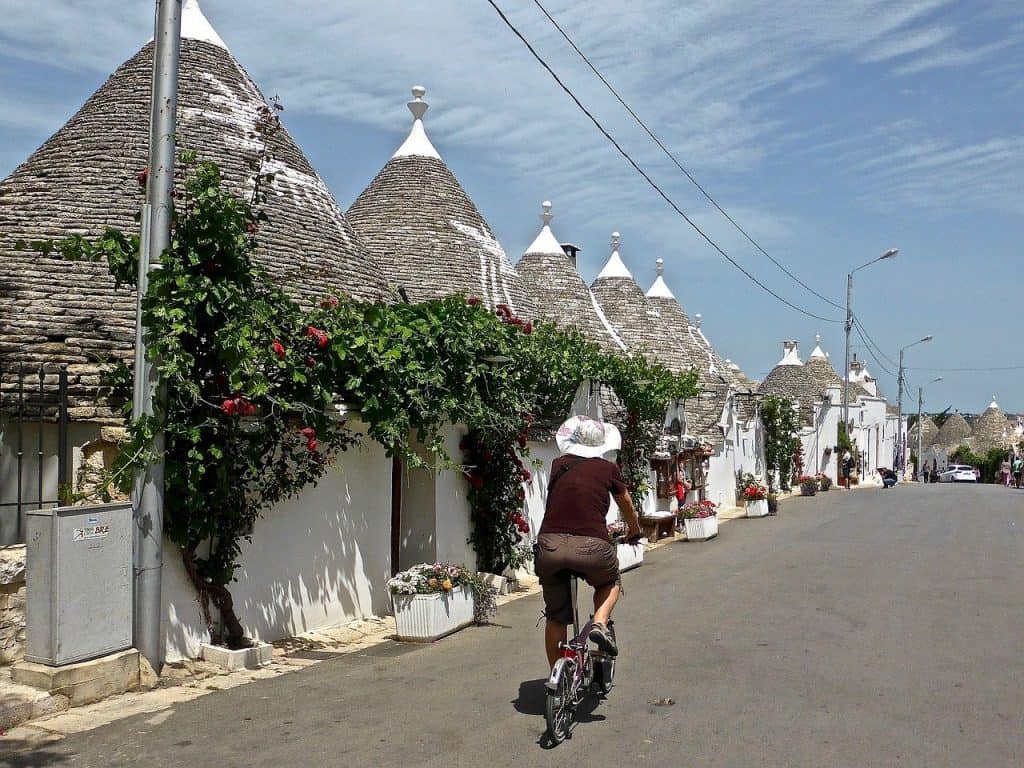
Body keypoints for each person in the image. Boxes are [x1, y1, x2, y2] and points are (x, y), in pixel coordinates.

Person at [535, 415, 641, 668]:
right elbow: (626, 504)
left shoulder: (558, 465)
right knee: (610, 582)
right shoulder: (608, 469)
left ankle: (558, 677)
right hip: (592, 546)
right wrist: (634, 530)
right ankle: (599, 623)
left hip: (550, 546)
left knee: (556, 617)